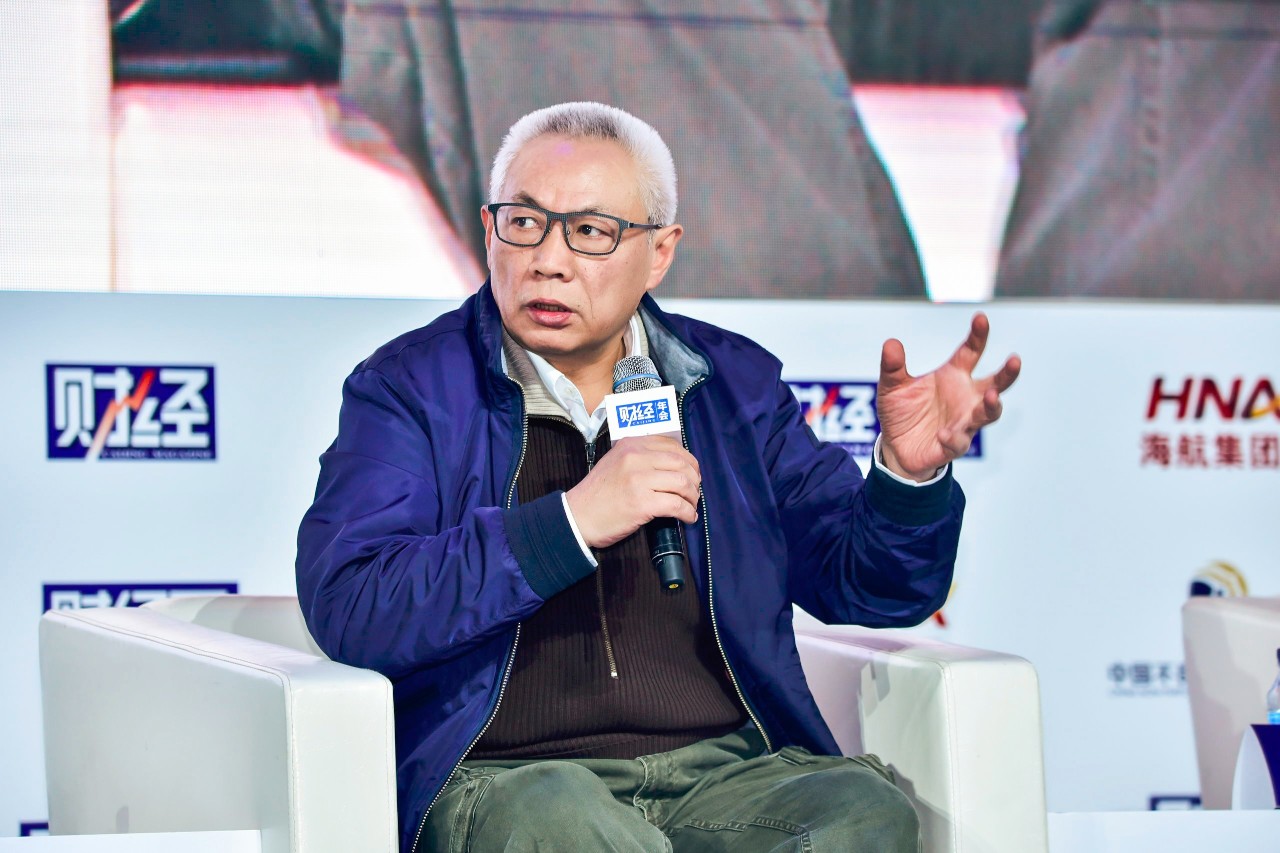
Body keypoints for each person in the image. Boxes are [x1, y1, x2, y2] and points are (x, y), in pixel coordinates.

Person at [295, 102, 1020, 852]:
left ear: (660, 252)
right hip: (510, 779)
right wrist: (569, 524)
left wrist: (906, 480)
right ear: (488, 231)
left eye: (590, 232)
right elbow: (352, 605)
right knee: (561, 820)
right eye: (524, 223)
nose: (548, 259)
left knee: (863, 812)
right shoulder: (410, 388)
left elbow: (869, 586)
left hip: (720, 774)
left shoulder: (730, 385)